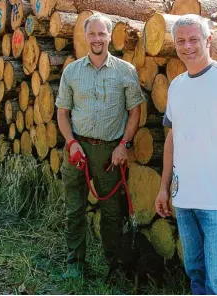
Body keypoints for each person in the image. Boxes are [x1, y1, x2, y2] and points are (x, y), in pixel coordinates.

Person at [154, 14, 217, 295]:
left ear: (208, 40)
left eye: (193, 39)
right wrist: (164, 189)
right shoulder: (176, 86)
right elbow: (172, 140)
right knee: (195, 273)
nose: (187, 46)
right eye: (180, 41)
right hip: (184, 199)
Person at [55, 13, 144, 279]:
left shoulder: (125, 71)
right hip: (78, 149)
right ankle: (75, 264)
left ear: (109, 36)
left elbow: (135, 112)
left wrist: (123, 145)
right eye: (92, 34)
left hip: (109, 152)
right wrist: (71, 143)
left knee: (112, 213)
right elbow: (62, 112)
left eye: (101, 33)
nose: (97, 39)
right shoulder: (71, 71)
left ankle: (113, 266)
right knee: (74, 209)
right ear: (85, 36)